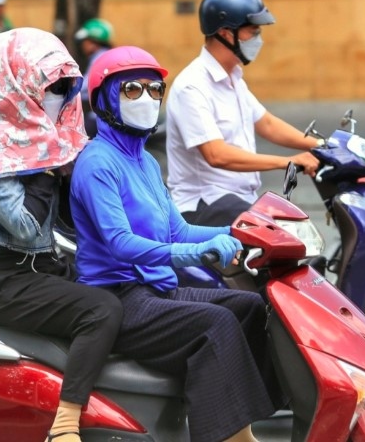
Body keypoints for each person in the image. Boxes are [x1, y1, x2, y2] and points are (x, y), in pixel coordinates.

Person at [70, 45, 284, 442]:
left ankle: (246, 425)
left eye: (155, 90)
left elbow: (178, 230)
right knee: (216, 323)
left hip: (158, 289)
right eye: (132, 90)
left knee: (252, 306)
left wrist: (241, 231)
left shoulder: (146, 162)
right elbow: (120, 244)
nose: (147, 99)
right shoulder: (97, 163)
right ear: (105, 100)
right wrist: (194, 253)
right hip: (121, 298)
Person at [0, 28, 121, 442]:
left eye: (65, 88)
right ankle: (64, 424)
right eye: (51, 87)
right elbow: (25, 226)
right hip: (0, 282)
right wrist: (48, 170)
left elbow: (63, 222)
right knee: (102, 310)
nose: (58, 97)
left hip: (40, 268)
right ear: (21, 86)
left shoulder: (38, 140)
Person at [165, 0, 320, 227]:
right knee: (289, 238)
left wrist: (321, 147)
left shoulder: (233, 78)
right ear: (226, 33)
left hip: (237, 202)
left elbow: (266, 123)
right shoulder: (192, 87)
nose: (259, 39)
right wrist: (287, 162)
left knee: (290, 234)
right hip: (203, 206)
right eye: (253, 31)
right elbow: (216, 155)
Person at [74, 18, 114, 137]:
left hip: (101, 117)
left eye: (85, 41)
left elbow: (86, 86)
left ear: (93, 42)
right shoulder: (106, 55)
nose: (82, 45)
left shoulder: (100, 58)